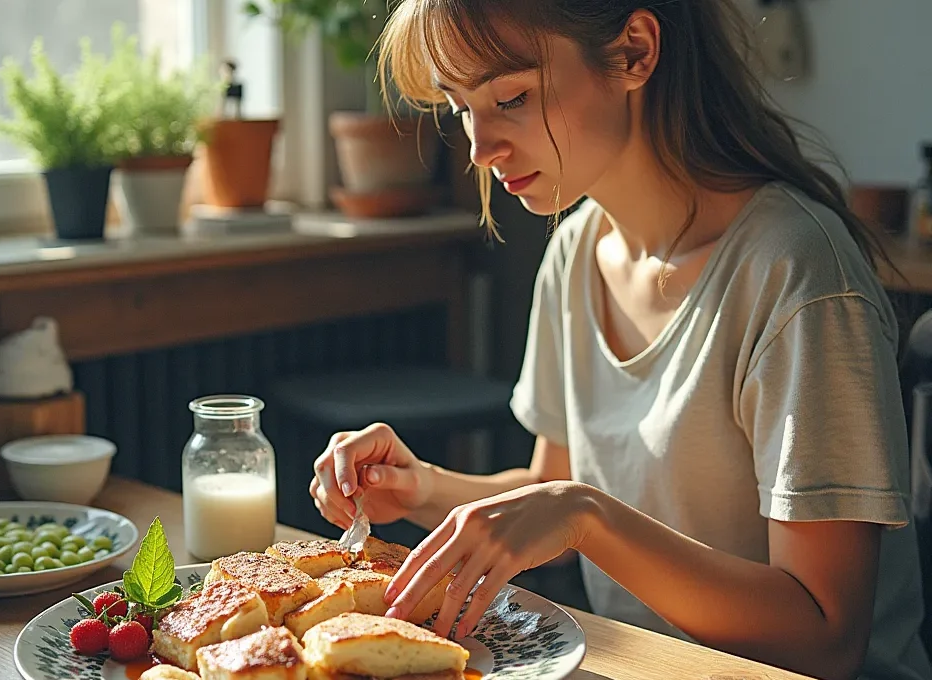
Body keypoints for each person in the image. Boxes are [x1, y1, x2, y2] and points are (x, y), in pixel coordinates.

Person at [309, 2, 931, 678]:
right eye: (462, 108)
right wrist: (422, 487)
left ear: (634, 51)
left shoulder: (798, 276)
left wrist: (585, 514)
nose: (480, 150)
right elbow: (552, 494)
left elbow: (825, 639)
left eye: (511, 97)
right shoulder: (577, 252)